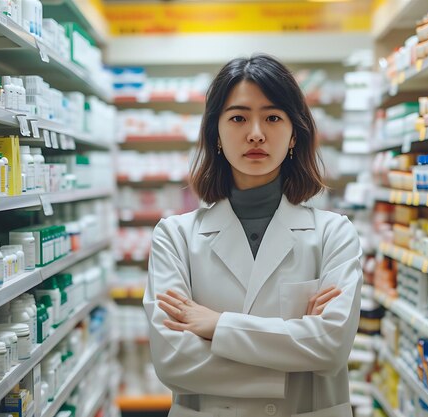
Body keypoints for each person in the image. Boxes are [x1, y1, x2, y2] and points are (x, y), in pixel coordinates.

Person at [143, 54, 363, 417]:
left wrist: (217, 325)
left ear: (295, 133)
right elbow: (173, 361)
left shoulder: (333, 234)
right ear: (216, 132)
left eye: (273, 117)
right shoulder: (175, 237)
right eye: (239, 117)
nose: (256, 132)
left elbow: (332, 347)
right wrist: (296, 347)